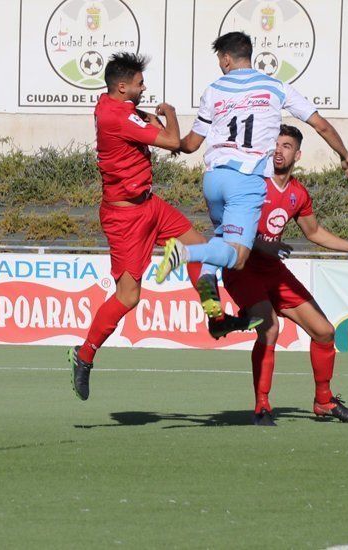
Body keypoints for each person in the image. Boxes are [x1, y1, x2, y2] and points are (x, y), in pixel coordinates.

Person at [68, 52, 256, 401]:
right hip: (125, 218)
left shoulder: (111, 104)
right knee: (129, 297)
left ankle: (215, 318)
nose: (145, 87)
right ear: (122, 86)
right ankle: (85, 354)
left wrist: (147, 121)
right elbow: (174, 142)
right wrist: (169, 116)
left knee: (198, 246)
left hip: (150, 205)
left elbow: (142, 126)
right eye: (140, 84)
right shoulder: (117, 117)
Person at [155, 31, 348, 339]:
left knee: (223, 235)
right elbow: (321, 124)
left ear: (226, 58)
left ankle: (209, 279)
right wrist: (345, 155)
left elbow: (189, 145)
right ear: (247, 55)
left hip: (213, 180)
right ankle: (186, 253)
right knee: (238, 257)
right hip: (246, 181)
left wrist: (168, 123)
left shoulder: (213, 90)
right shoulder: (275, 87)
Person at [221, 125, 348, 426]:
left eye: (286, 146)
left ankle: (323, 401)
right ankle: (262, 407)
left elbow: (315, 232)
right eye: (275, 145)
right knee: (269, 329)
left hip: (273, 273)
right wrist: (261, 244)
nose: (279, 151)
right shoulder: (251, 182)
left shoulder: (297, 193)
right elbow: (229, 227)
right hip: (241, 269)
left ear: (298, 154)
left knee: (324, 332)